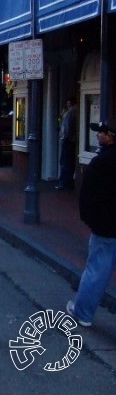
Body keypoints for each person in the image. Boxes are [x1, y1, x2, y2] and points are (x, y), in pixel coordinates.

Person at [66, 117, 116, 327]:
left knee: (97, 268)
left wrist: (90, 218)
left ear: (110, 136)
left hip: (106, 226)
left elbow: (88, 196)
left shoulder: (101, 163)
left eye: (102, 132)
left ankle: (82, 312)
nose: (98, 135)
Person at [56, 97, 77, 190]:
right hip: (72, 140)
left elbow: (66, 126)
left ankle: (63, 183)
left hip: (68, 140)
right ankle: (68, 182)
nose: (68, 105)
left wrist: (64, 136)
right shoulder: (73, 112)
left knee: (65, 161)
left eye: (69, 103)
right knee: (69, 161)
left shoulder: (69, 113)